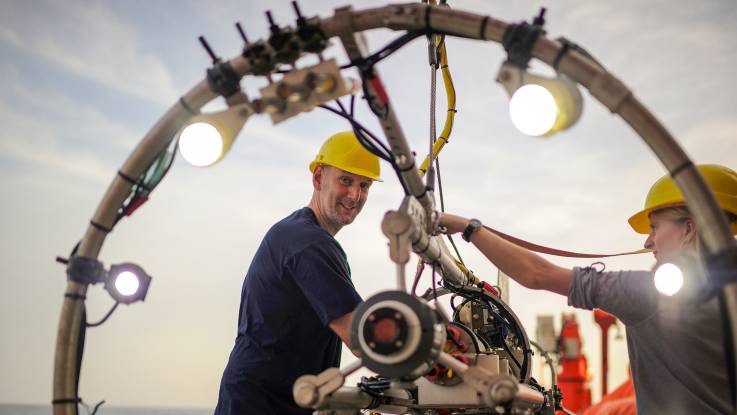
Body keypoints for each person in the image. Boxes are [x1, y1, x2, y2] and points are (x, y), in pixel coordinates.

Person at [440, 164, 737, 414]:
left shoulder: (651, 295)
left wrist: (469, 228)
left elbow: (537, 274)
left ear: (689, 227)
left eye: (655, 226)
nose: (648, 242)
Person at [214, 131, 381, 415]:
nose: (355, 195)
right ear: (318, 178)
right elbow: (362, 337)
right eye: (345, 180)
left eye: (364, 185)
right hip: (262, 404)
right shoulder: (307, 242)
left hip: (272, 399)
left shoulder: (300, 234)